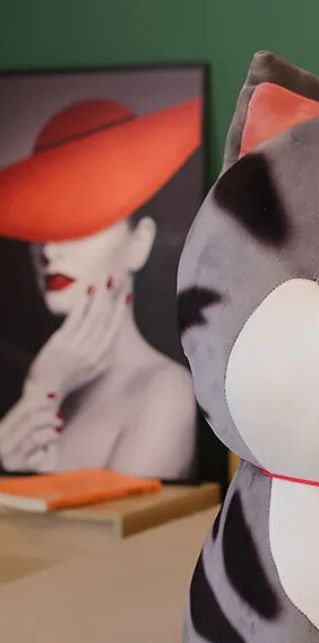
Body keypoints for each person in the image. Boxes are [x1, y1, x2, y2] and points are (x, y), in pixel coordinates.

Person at [0, 96, 200, 478]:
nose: (49, 250)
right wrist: (42, 389)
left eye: (79, 222)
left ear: (139, 243)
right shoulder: (43, 383)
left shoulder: (165, 393)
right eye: (41, 224)